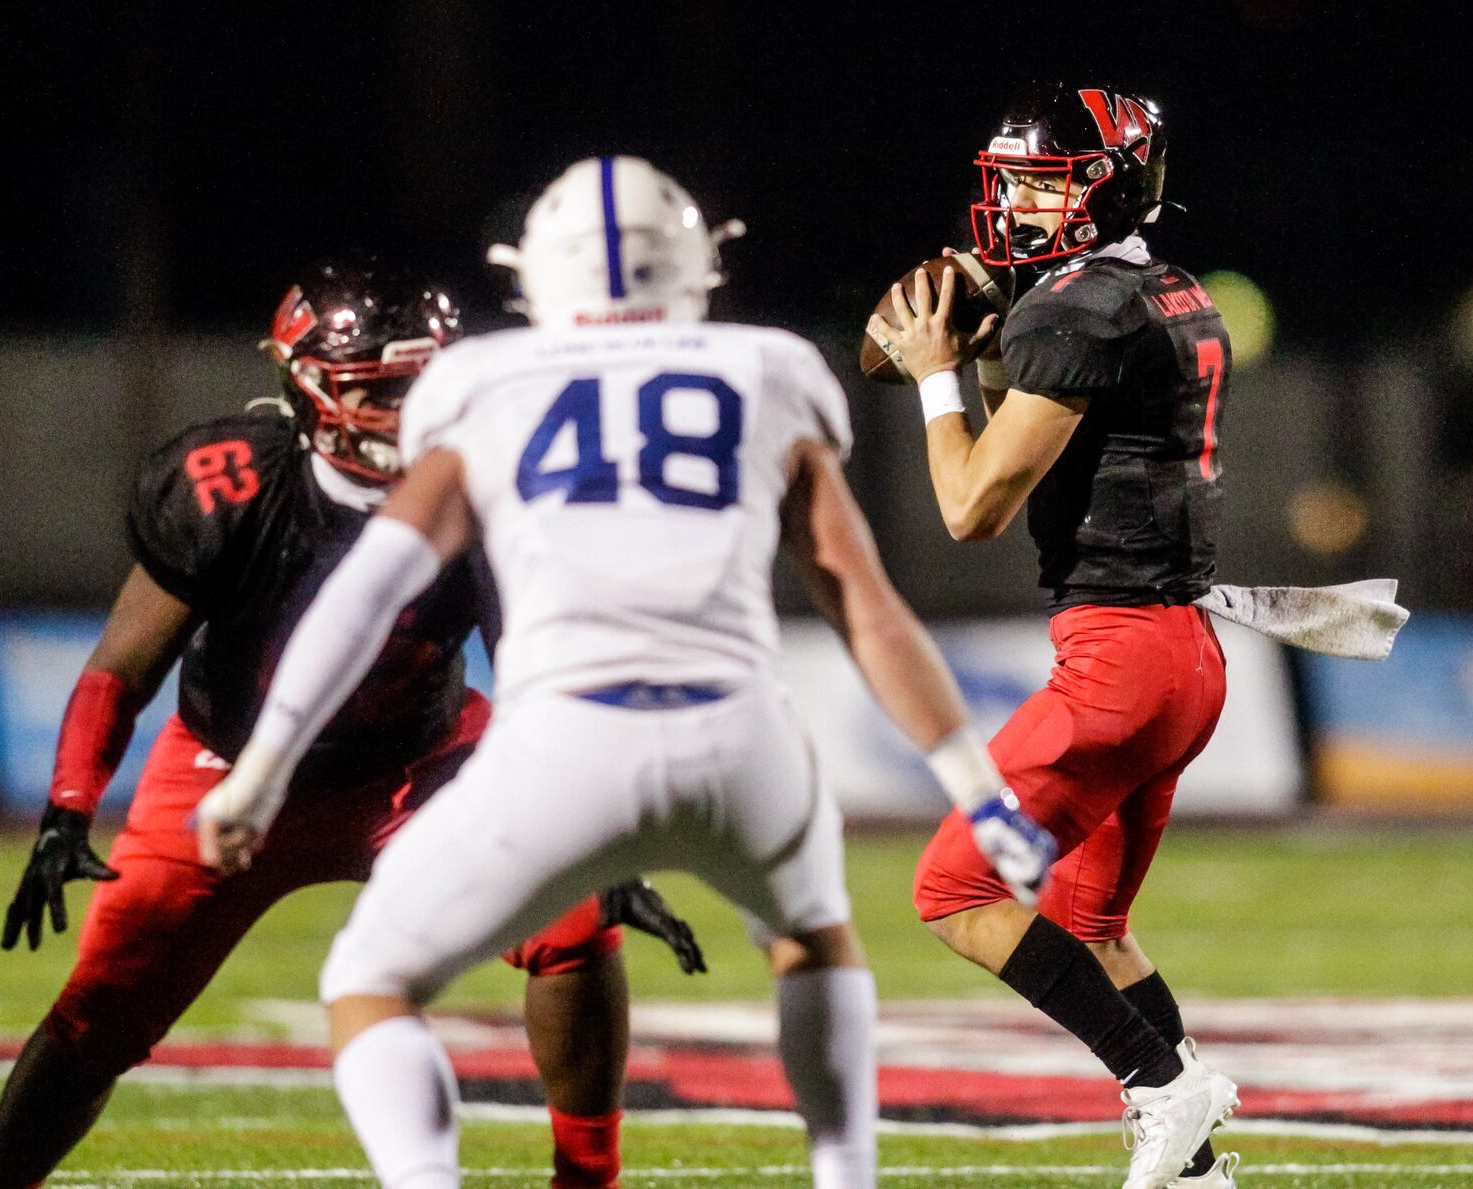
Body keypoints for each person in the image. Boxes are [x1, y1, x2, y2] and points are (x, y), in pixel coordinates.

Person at [192, 156, 1060, 1189]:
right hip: (744, 741)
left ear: (535, 275)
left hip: (562, 746)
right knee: (812, 941)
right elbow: (864, 605)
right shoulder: (768, 367)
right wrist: (977, 790)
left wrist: (262, 766)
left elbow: (369, 586)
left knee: (370, 981)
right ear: (696, 262)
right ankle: (844, 1173)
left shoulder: (478, 381)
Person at [0, 260, 705, 1189]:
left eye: (421, 383)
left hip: (418, 758)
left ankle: (588, 1178)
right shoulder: (228, 483)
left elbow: (537, 671)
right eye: (379, 387)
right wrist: (69, 805)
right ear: (309, 385)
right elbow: (123, 662)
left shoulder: (493, 488)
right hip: (229, 773)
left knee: (573, 912)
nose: (404, 408)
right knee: (101, 1010)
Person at [868, 83, 1241, 1189]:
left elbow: (973, 505)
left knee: (954, 889)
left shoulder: (1074, 308)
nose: (1018, 206)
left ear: (1108, 183)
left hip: (1121, 660)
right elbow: (1058, 428)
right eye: (1012, 184)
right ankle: (1196, 1169)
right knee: (1092, 919)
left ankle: (1162, 1084)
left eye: (1042, 184)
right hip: (1189, 656)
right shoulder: (1165, 287)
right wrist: (988, 355)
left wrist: (939, 378)